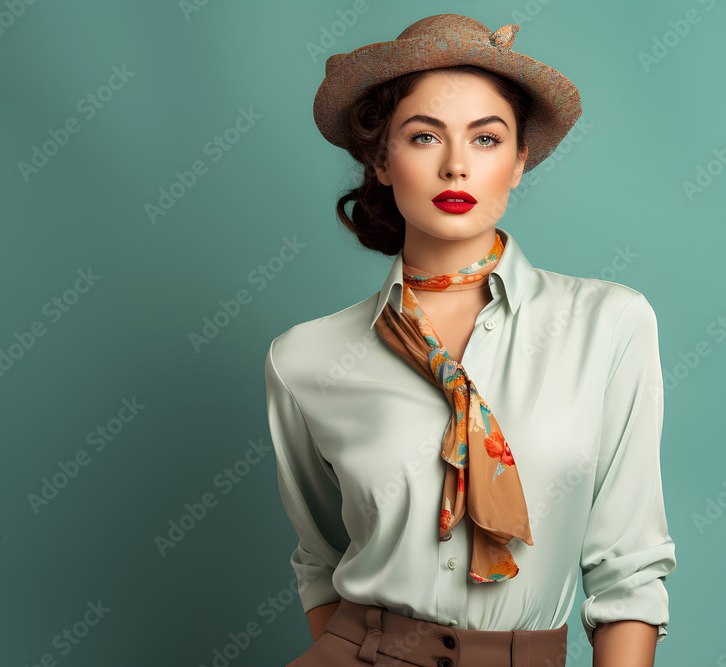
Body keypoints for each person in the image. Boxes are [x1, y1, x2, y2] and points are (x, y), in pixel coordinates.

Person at [264, 13, 676, 667]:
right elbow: (321, 560)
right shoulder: (304, 360)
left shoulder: (610, 324)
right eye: (424, 136)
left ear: (519, 162)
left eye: (486, 139)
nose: (456, 165)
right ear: (381, 159)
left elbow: (628, 570)